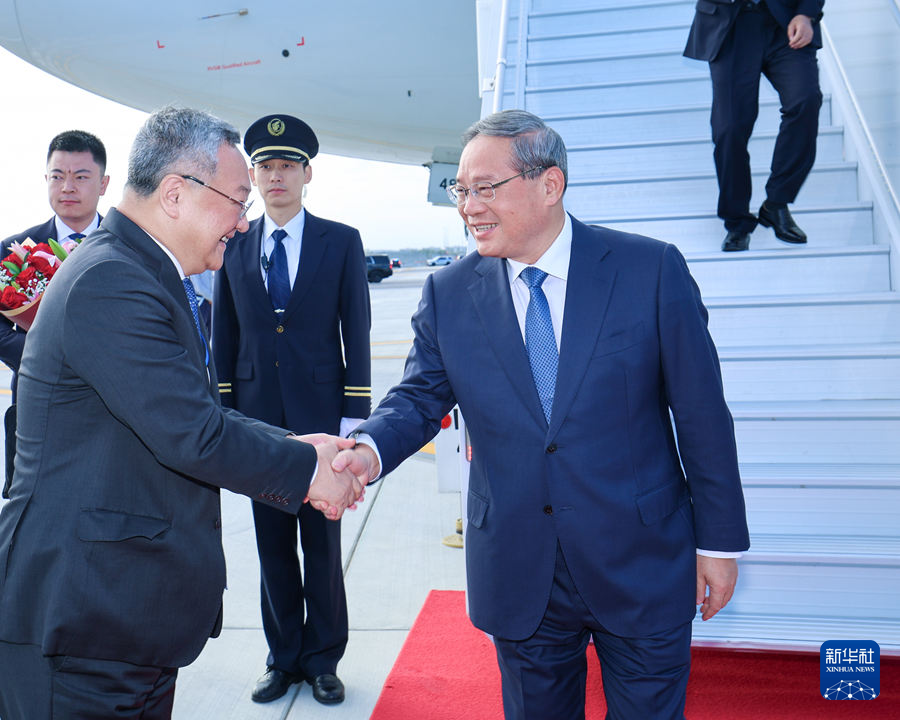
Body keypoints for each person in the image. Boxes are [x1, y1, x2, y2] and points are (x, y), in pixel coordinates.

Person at [328, 110, 750, 720]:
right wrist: (366, 451)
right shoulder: (449, 293)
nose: (468, 207)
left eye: (485, 188)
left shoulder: (649, 270)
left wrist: (718, 542)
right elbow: (418, 399)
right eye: (460, 190)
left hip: (641, 557)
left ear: (550, 185)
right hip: (520, 567)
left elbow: (702, 415)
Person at [0, 106, 364, 720]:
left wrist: (300, 445)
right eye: (238, 201)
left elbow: (189, 412)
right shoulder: (112, 280)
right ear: (176, 194)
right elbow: (194, 433)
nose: (243, 223)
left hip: (121, 619)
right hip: (86, 621)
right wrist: (310, 469)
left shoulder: (138, 271)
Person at [213, 114, 371, 705]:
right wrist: (225, 410)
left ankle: (323, 659)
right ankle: (282, 658)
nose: (275, 176)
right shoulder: (234, 242)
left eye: (287, 165)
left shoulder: (341, 240)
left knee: (322, 547)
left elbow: (357, 328)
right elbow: (224, 333)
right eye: (265, 166)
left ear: (307, 174)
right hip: (257, 420)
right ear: (253, 176)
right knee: (271, 545)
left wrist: (354, 416)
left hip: (322, 417)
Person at [0, 130, 109, 498]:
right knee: (33, 510)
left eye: (81, 176)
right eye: (58, 176)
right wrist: (42, 357)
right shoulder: (13, 250)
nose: (67, 187)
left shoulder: (130, 247)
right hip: (36, 404)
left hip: (110, 408)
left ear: (103, 183)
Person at [684, 0, 825, 252]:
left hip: (786, 21)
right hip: (730, 25)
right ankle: (737, 222)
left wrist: (806, 13)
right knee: (729, 128)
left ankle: (777, 202)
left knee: (806, 100)